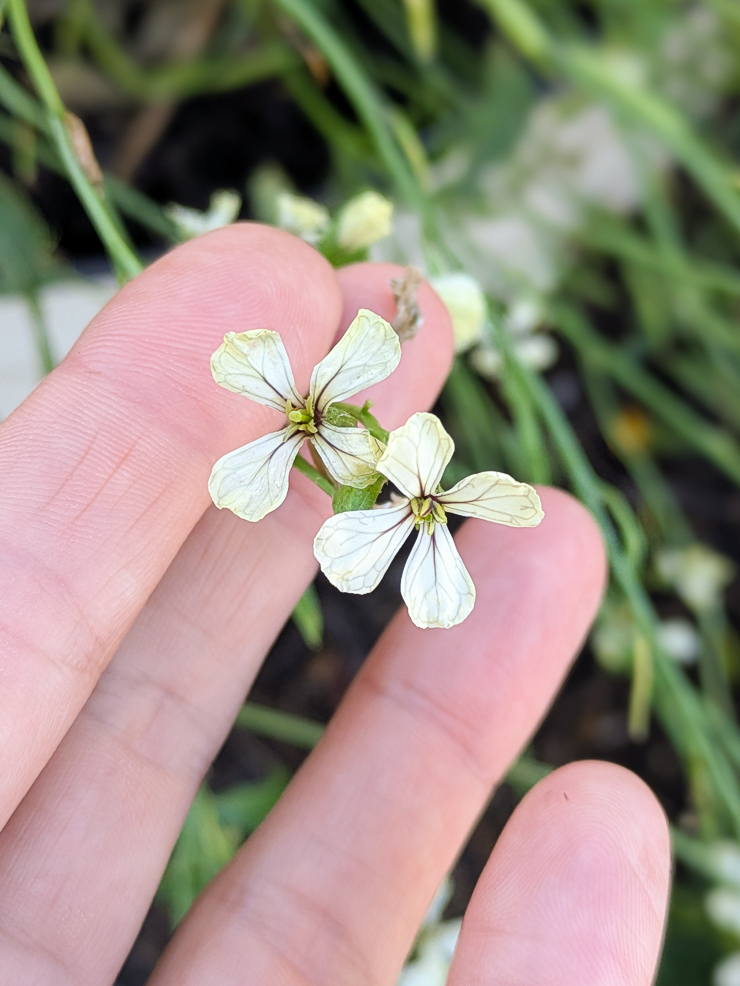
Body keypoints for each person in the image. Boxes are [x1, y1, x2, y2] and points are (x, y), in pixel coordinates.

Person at [0, 224, 669, 984]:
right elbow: (357, 451)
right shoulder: (344, 445)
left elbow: (372, 456)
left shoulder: (368, 457)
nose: (305, 424)